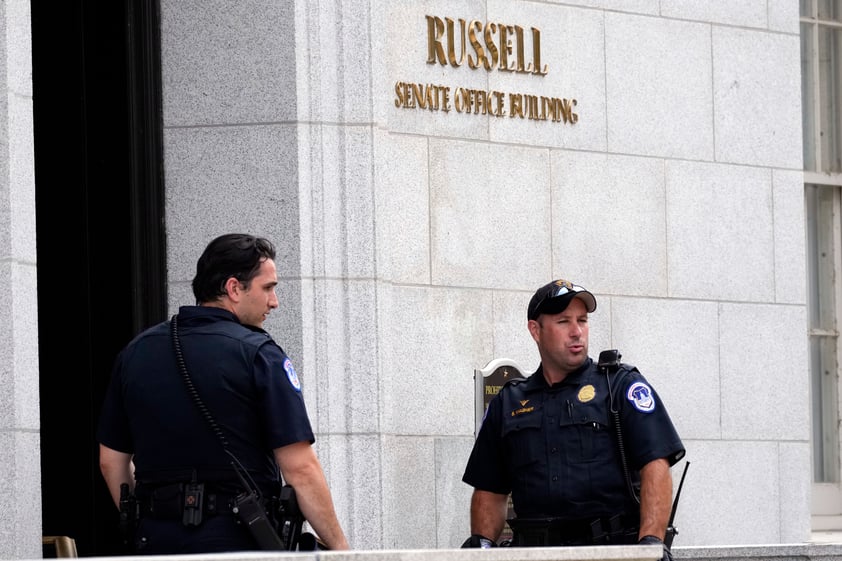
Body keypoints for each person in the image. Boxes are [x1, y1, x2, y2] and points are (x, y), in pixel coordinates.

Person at [97, 233, 350, 553]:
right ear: (233, 288)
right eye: (268, 288)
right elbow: (300, 469)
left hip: (155, 542)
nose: (274, 301)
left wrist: (148, 519)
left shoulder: (135, 354)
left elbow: (111, 462)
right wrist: (343, 551)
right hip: (239, 542)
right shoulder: (260, 354)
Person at [461, 279, 685, 557]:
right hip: (534, 554)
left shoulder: (619, 386)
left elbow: (656, 464)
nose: (577, 331)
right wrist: (482, 547)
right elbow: (490, 489)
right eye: (564, 321)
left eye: (582, 320)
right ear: (536, 330)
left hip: (609, 552)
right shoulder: (508, 402)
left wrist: (650, 543)